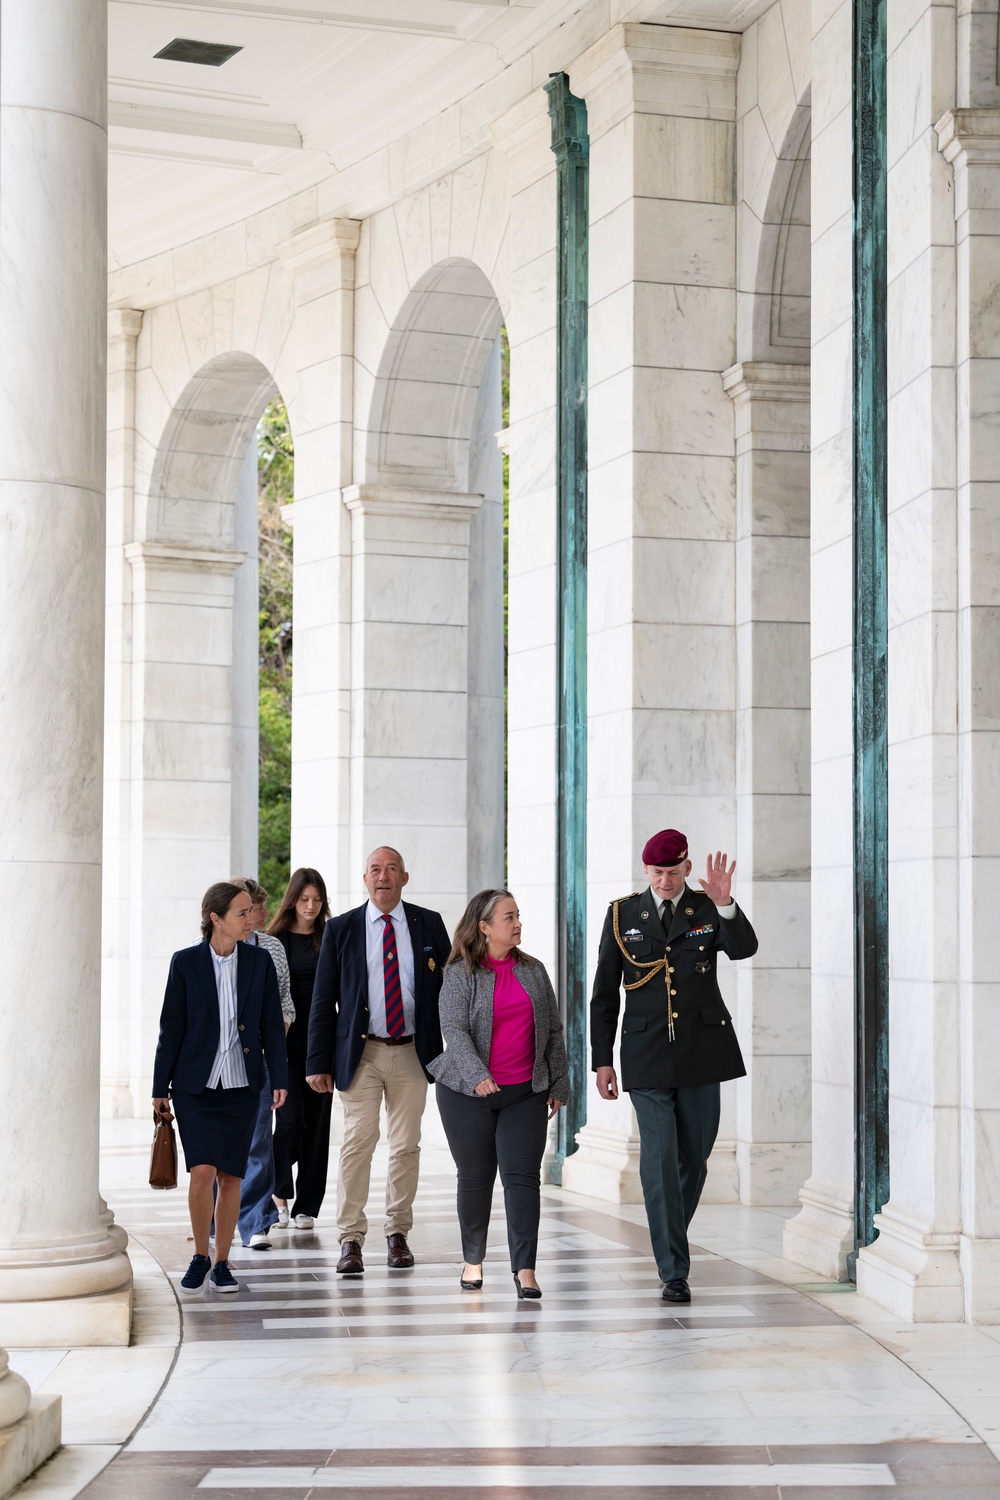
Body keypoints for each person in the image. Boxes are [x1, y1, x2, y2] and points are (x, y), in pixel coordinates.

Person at [590, 828, 758, 1305]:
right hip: (645, 1056)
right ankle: (673, 1270)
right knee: (659, 1158)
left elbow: (744, 948)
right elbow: (603, 993)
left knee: (694, 1158)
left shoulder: (708, 906)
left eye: (673, 871)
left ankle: (668, 1234)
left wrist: (726, 905)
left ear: (687, 868)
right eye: (657, 872)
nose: (665, 880)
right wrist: (602, 1060)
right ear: (646, 870)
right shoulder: (623, 914)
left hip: (703, 1051)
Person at [306, 846, 450, 1274]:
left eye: (391, 869)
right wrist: (318, 1061)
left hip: (412, 1051)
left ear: (404, 878)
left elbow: (452, 986)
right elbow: (322, 1000)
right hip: (360, 1053)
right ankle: (350, 1239)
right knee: (358, 1142)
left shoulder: (429, 923)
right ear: (364, 879)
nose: (383, 876)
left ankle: (397, 1233)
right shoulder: (343, 929)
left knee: (406, 1146)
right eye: (375, 870)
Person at [429, 889, 569, 1299]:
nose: (517, 923)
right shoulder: (459, 973)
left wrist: (559, 1083)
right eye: (509, 918)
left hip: (525, 1091)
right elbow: (453, 1029)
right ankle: (473, 1260)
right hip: (466, 1092)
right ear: (485, 927)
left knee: (523, 1179)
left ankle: (525, 1269)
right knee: (475, 1178)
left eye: (518, 916)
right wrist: (477, 1074)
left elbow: (554, 1032)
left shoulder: (535, 970)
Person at [152, 882, 288, 1295]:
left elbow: (271, 1027)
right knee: (202, 1171)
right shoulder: (185, 962)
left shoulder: (259, 962)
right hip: (195, 1086)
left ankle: (224, 1262)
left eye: (251, 912)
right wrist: (160, 1087)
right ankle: (200, 1255)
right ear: (217, 918)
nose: (252, 919)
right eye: (243, 913)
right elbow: (170, 1028)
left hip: (243, 1084)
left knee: (231, 1176)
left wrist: (278, 1079)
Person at [230, 877, 294, 1251]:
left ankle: (254, 1221)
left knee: (257, 1141)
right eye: (251, 909)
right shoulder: (200, 950)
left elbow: (285, 1004)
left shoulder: (271, 948)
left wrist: (271, 1048)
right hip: (215, 1063)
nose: (259, 915)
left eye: (254, 909)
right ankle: (217, 1219)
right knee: (222, 1143)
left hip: (261, 1059)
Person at [267, 868, 331, 1229]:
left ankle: (307, 1205)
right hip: (285, 1041)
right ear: (292, 900)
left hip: (322, 1041)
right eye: (304, 899)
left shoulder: (330, 937)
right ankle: (279, 1192)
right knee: (288, 1119)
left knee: (317, 1125)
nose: (310, 906)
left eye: (316, 899)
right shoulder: (273, 939)